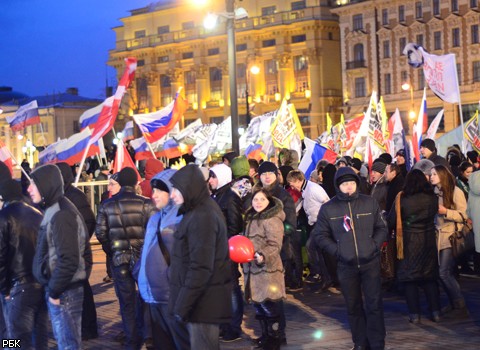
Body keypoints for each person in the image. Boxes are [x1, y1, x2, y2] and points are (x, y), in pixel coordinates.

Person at [313, 166, 387, 350]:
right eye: (345, 184)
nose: (348, 187)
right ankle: (360, 343)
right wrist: (338, 251)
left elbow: (382, 228)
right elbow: (320, 235)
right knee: (353, 307)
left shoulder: (369, 203)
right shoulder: (328, 208)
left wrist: (374, 245)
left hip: (370, 262)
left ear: (357, 183)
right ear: (338, 186)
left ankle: (377, 343)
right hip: (346, 265)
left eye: (351, 183)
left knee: (374, 305)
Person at [169, 164, 232, 350]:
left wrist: (182, 305)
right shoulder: (197, 210)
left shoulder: (202, 215)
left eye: (176, 189)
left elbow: (201, 267)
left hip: (202, 304)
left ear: (189, 188)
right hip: (199, 303)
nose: (172, 194)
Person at [29, 164, 91, 350]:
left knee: (68, 344)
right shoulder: (55, 209)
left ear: (46, 184)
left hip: (64, 292)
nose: (29, 189)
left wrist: (55, 291)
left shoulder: (62, 214)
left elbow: (69, 258)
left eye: (34, 184)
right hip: (61, 290)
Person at [95, 167, 155, 349]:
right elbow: (153, 232)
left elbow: (101, 233)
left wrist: (112, 250)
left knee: (126, 302)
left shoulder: (107, 204)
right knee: (146, 298)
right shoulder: (146, 204)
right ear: (136, 183)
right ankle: (147, 335)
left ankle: (132, 340)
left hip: (119, 258)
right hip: (142, 259)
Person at [137, 169, 190, 350]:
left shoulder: (183, 218)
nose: (155, 195)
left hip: (171, 296)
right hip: (152, 295)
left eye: (160, 190)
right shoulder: (154, 219)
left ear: (173, 191)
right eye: (153, 190)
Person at [387, 170, 440, 323]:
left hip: (408, 242)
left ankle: (414, 315)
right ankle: (435, 312)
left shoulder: (402, 199)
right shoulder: (432, 198)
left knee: (410, 279)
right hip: (428, 240)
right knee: (429, 278)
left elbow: (391, 221)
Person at [0, 179, 48, 349]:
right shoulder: (38, 213)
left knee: (15, 337)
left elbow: (1, 257)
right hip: (41, 282)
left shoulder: (4, 217)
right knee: (40, 333)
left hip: (18, 285)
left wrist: (3, 288)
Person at [56, 162, 98, 340]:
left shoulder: (73, 196)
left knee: (82, 290)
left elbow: (89, 221)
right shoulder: (63, 195)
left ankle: (87, 329)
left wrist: (79, 242)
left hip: (76, 252)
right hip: (70, 251)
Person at [243, 188, 286, 350]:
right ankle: (266, 336)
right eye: (255, 200)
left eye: (262, 199)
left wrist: (263, 255)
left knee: (270, 306)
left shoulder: (272, 219)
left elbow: (275, 245)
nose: (258, 203)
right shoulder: (251, 218)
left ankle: (275, 340)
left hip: (268, 270)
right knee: (259, 305)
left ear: (269, 202)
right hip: (253, 270)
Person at [208, 163, 245, 342]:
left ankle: (234, 327)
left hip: (226, 251)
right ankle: (224, 324)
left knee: (231, 288)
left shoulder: (230, 197)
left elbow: (235, 225)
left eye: (213, 176)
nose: (210, 180)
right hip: (215, 251)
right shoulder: (215, 196)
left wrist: (223, 244)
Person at [430, 165, 469, 317]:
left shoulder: (455, 191)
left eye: (434, 174)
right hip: (437, 236)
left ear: (442, 175)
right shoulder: (435, 192)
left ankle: (460, 305)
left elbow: (463, 216)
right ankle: (454, 303)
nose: (431, 176)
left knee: (444, 272)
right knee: (442, 273)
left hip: (450, 237)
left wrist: (446, 212)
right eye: (431, 174)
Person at [467, 170, 480, 274]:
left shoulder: (473, 177)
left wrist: (469, 215)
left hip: (475, 218)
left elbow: (469, 201)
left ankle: (477, 268)